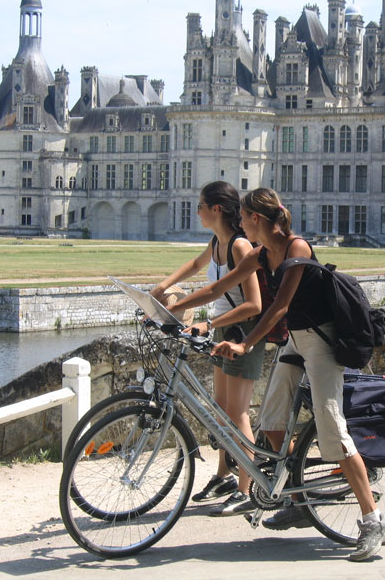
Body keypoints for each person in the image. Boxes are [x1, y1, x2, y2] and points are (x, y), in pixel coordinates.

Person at [169, 187, 385, 562]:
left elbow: (277, 308)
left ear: (256, 219)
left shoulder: (296, 249)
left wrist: (243, 344)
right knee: (272, 423)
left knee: (332, 430)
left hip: (323, 344)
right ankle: (300, 497)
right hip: (296, 342)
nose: (239, 224)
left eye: (242, 217)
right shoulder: (262, 254)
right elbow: (217, 287)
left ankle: (374, 519)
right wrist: (172, 308)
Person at [151, 180, 266, 517]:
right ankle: (224, 475)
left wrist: (207, 324)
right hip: (222, 331)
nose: (197, 210)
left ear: (216, 209)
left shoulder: (240, 247)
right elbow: (195, 265)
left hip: (243, 334)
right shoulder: (218, 241)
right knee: (220, 410)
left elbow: (255, 304)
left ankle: (247, 488)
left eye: (200, 205)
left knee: (237, 414)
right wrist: (162, 287)